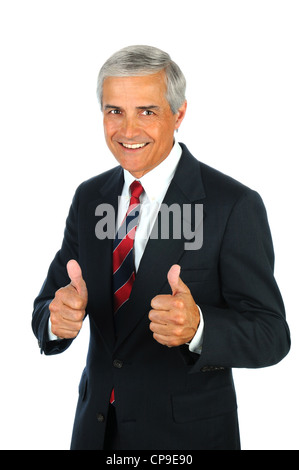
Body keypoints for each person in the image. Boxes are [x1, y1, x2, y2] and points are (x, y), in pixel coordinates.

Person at [32, 45, 290, 450]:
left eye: (147, 112)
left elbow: (272, 334)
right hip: (95, 434)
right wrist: (55, 319)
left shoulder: (231, 204)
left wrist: (199, 327)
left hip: (188, 439)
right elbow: (48, 304)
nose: (128, 130)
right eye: (115, 111)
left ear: (180, 114)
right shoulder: (89, 197)